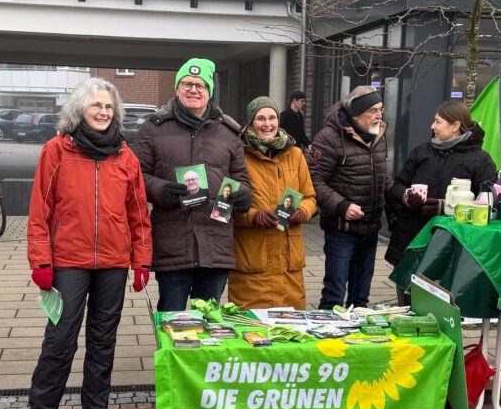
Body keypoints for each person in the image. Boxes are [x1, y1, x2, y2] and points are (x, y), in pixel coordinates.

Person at [26, 77, 152, 409]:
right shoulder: (57, 150)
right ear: (80, 108)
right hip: (67, 261)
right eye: (96, 105)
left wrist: (141, 261)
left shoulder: (124, 156)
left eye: (109, 106)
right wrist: (40, 260)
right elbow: (39, 211)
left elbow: (138, 214)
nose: (103, 111)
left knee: (103, 340)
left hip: (113, 262)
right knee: (60, 339)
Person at [134, 57, 251, 311]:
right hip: (173, 243)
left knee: (209, 323)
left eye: (200, 85)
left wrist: (243, 195)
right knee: (172, 321)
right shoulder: (153, 129)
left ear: (209, 91)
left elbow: (241, 179)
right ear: (177, 88)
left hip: (215, 242)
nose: (193, 90)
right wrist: (162, 190)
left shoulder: (229, 133)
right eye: (187, 83)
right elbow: (136, 178)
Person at [385, 100, 497, 304]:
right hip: (410, 240)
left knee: (440, 309)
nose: (432, 126)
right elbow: (398, 184)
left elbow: (487, 205)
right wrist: (407, 197)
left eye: (438, 122)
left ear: (455, 126)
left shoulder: (480, 160)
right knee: (407, 306)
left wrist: (443, 207)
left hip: (450, 246)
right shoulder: (422, 152)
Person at [308, 86, 392, 309]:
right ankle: (327, 340)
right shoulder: (329, 137)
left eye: (381, 110)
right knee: (334, 295)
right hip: (341, 230)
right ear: (356, 113)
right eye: (373, 110)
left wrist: (403, 195)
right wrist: (342, 205)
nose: (379, 116)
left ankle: (356, 342)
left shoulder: (379, 134)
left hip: (371, 228)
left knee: (361, 298)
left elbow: (383, 175)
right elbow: (313, 180)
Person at [229, 96, 316, 310]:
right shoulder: (237, 156)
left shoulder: (295, 155)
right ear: (250, 123)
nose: (267, 124)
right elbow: (224, 206)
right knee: (251, 333)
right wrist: (253, 217)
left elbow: (310, 197)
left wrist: (303, 212)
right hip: (253, 262)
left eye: (272, 117)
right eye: (260, 118)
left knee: (291, 333)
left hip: (289, 265)